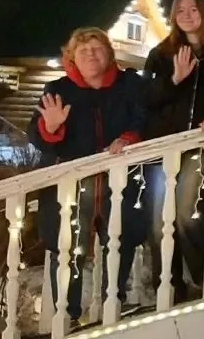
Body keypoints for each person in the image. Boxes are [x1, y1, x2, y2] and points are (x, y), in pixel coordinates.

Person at [30, 27, 146, 327]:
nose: (91, 55)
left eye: (97, 49)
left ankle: (113, 304)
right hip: (71, 184)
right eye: (83, 51)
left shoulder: (129, 85)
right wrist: (51, 127)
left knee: (119, 240)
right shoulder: (58, 89)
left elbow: (145, 118)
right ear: (72, 58)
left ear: (109, 54)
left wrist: (128, 138)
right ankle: (66, 316)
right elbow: (38, 136)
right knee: (68, 247)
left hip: (119, 179)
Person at [140, 0, 204, 300]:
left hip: (198, 144)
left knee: (187, 215)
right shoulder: (161, 54)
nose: (187, 15)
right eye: (181, 10)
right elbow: (146, 98)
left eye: (193, 9)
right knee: (159, 223)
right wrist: (174, 79)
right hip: (164, 146)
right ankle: (169, 287)